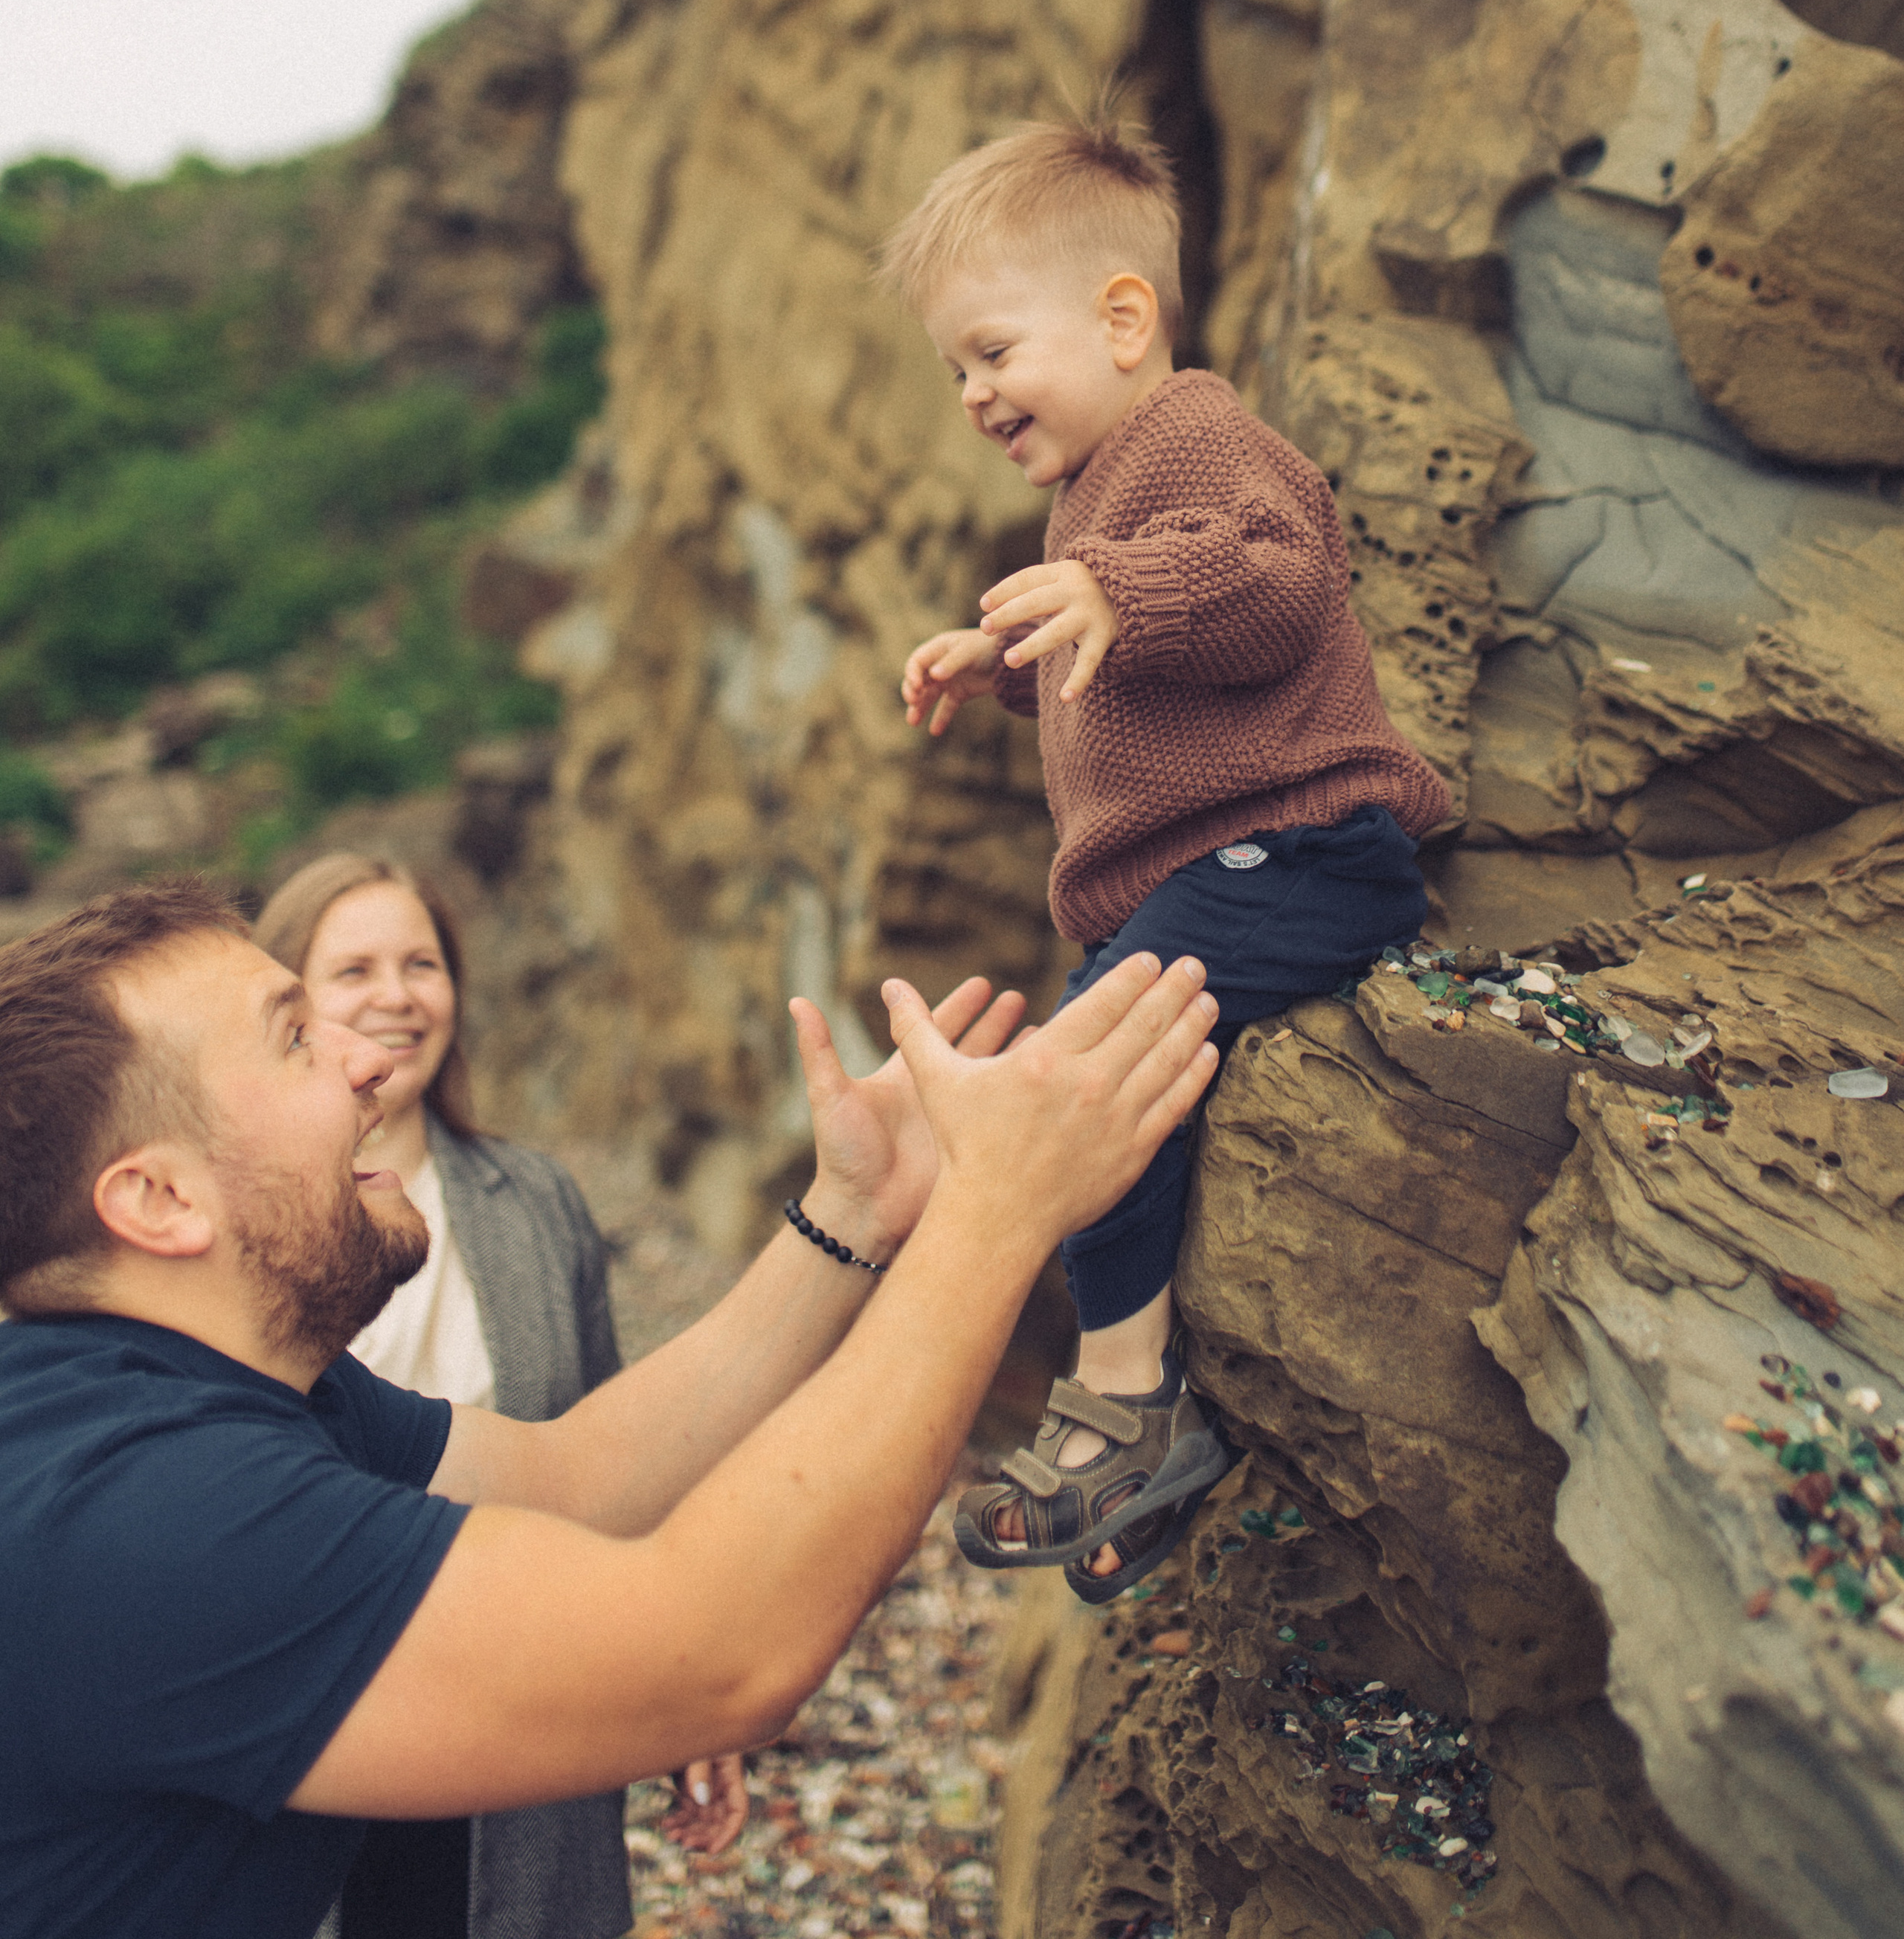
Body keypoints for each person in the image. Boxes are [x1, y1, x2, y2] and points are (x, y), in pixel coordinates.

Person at [0, 875, 1218, 1939]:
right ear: (158, 1202)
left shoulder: (213, 1392)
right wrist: (997, 1212)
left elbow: (577, 1477)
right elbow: (715, 1646)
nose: (368, 1059)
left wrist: (857, 1215)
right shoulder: (138, 1515)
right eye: (292, 1039)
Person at [885, 115, 1449, 1599]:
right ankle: (1137, 1411)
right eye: (955, 368)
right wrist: (1003, 657)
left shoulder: (1192, 434)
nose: (971, 394)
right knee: (1077, 1090)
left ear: (1121, 319)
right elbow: (1133, 655)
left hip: (1304, 850)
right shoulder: (1096, 487)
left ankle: (1130, 1404)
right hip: (1215, 872)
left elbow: (1274, 583)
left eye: (992, 351)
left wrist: (1106, 589)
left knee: (1076, 1075)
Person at [254, 852, 736, 1939]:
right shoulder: (243, 1228)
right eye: (355, 969)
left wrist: (688, 1677)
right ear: (289, 1004)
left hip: (527, 1697)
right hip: (310, 1709)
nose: (396, 997)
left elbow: (625, 1461)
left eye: (422, 963)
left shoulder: (538, 1203)